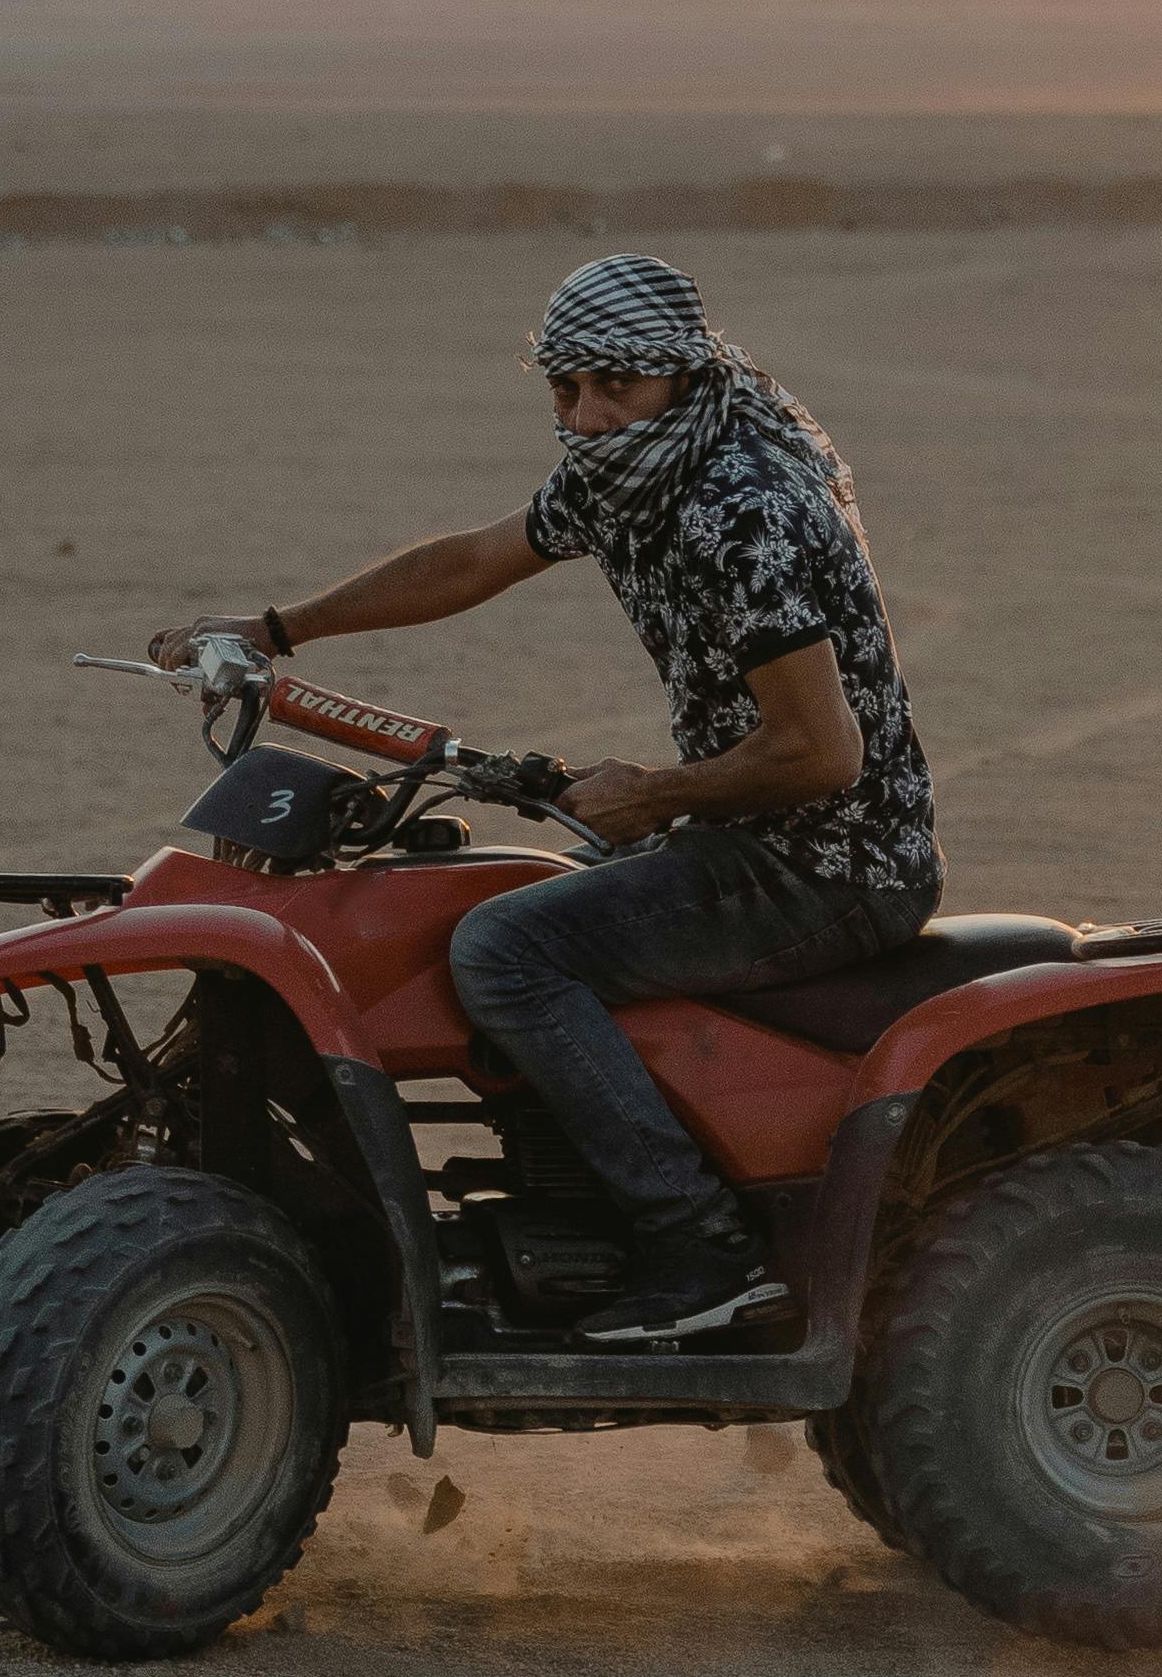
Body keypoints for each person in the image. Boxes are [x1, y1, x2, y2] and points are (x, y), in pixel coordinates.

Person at [152, 249, 939, 1343]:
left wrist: (657, 793)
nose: (588, 413)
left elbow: (821, 753)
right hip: (747, 833)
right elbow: (472, 560)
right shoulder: (636, 469)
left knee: (506, 952)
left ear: (680, 373)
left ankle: (699, 1251)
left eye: (614, 383)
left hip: (829, 861)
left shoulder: (742, 507)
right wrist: (278, 629)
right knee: (488, 905)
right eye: (565, 388)